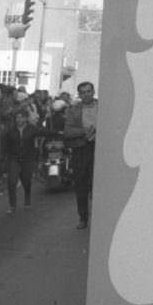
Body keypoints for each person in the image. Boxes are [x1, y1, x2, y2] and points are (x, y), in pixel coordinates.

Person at [63, 82, 97, 229]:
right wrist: (84, 131)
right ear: (79, 94)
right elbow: (68, 131)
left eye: (89, 91)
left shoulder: (104, 106)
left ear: (93, 91)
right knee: (81, 185)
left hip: (99, 149)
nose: (86, 94)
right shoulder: (74, 110)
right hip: (81, 149)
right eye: (83, 92)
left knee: (97, 185)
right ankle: (83, 217)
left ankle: (99, 216)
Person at [2, 107, 39, 213]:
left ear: (26, 118)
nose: (19, 120)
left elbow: (44, 132)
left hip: (27, 158)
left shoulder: (31, 128)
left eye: (22, 117)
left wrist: (59, 132)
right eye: (17, 117)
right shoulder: (10, 129)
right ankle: (12, 205)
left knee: (26, 180)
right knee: (11, 181)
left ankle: (27, 197)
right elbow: (4, 142)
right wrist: (4, 155)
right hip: (13, 158)